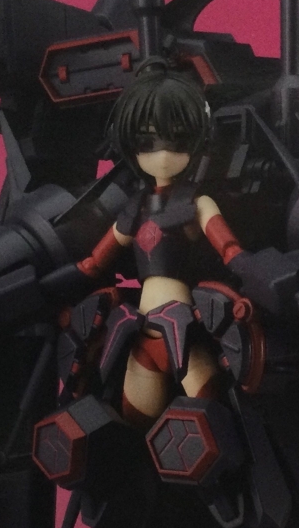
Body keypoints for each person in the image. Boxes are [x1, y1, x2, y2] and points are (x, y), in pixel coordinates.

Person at [75, 59, 244, 427]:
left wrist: (242, 261)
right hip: (142, 333)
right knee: (135, 422)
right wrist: (74, 276)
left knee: (209, 418)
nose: (163, 154)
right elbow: (98, 258)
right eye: (147, 141)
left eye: (177, 140)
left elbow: (227, 244)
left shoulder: (194, 202)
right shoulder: (134, 207)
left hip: (184, 328)